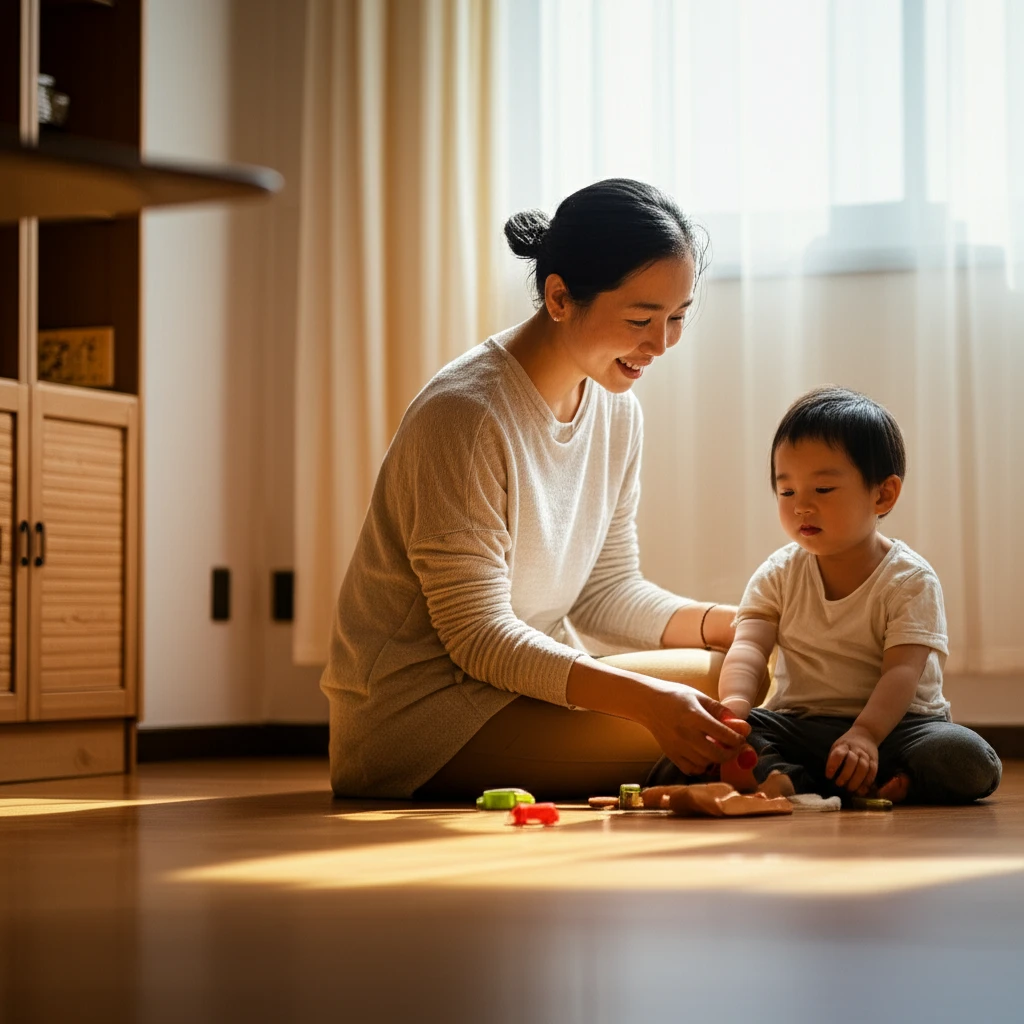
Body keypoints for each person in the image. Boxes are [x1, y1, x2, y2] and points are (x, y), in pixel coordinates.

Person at [320, 178, 757, 800]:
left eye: (677, 317)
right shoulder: (465, 417)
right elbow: (479, 638)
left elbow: (605, 592)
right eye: (641, 318)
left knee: (745, 675)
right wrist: (651, 703)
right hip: (427, 721)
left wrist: (734, 625)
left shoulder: (614, 407)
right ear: (558, 297)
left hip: (522, 689)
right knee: (735, 719)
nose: (661, 344)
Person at [714, 385, 1002, 804]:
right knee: (732, 739)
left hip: (898, 729)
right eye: (787, 491)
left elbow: (901, 673)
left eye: (823, 490)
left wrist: (865, 734)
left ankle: (888, 782)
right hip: (801, 725)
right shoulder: (777, 573)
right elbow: (748, 648)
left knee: (968, 758)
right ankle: (799, 781)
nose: (801, 507)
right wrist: (734, 707)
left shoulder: (909, 580)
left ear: (882, 494)